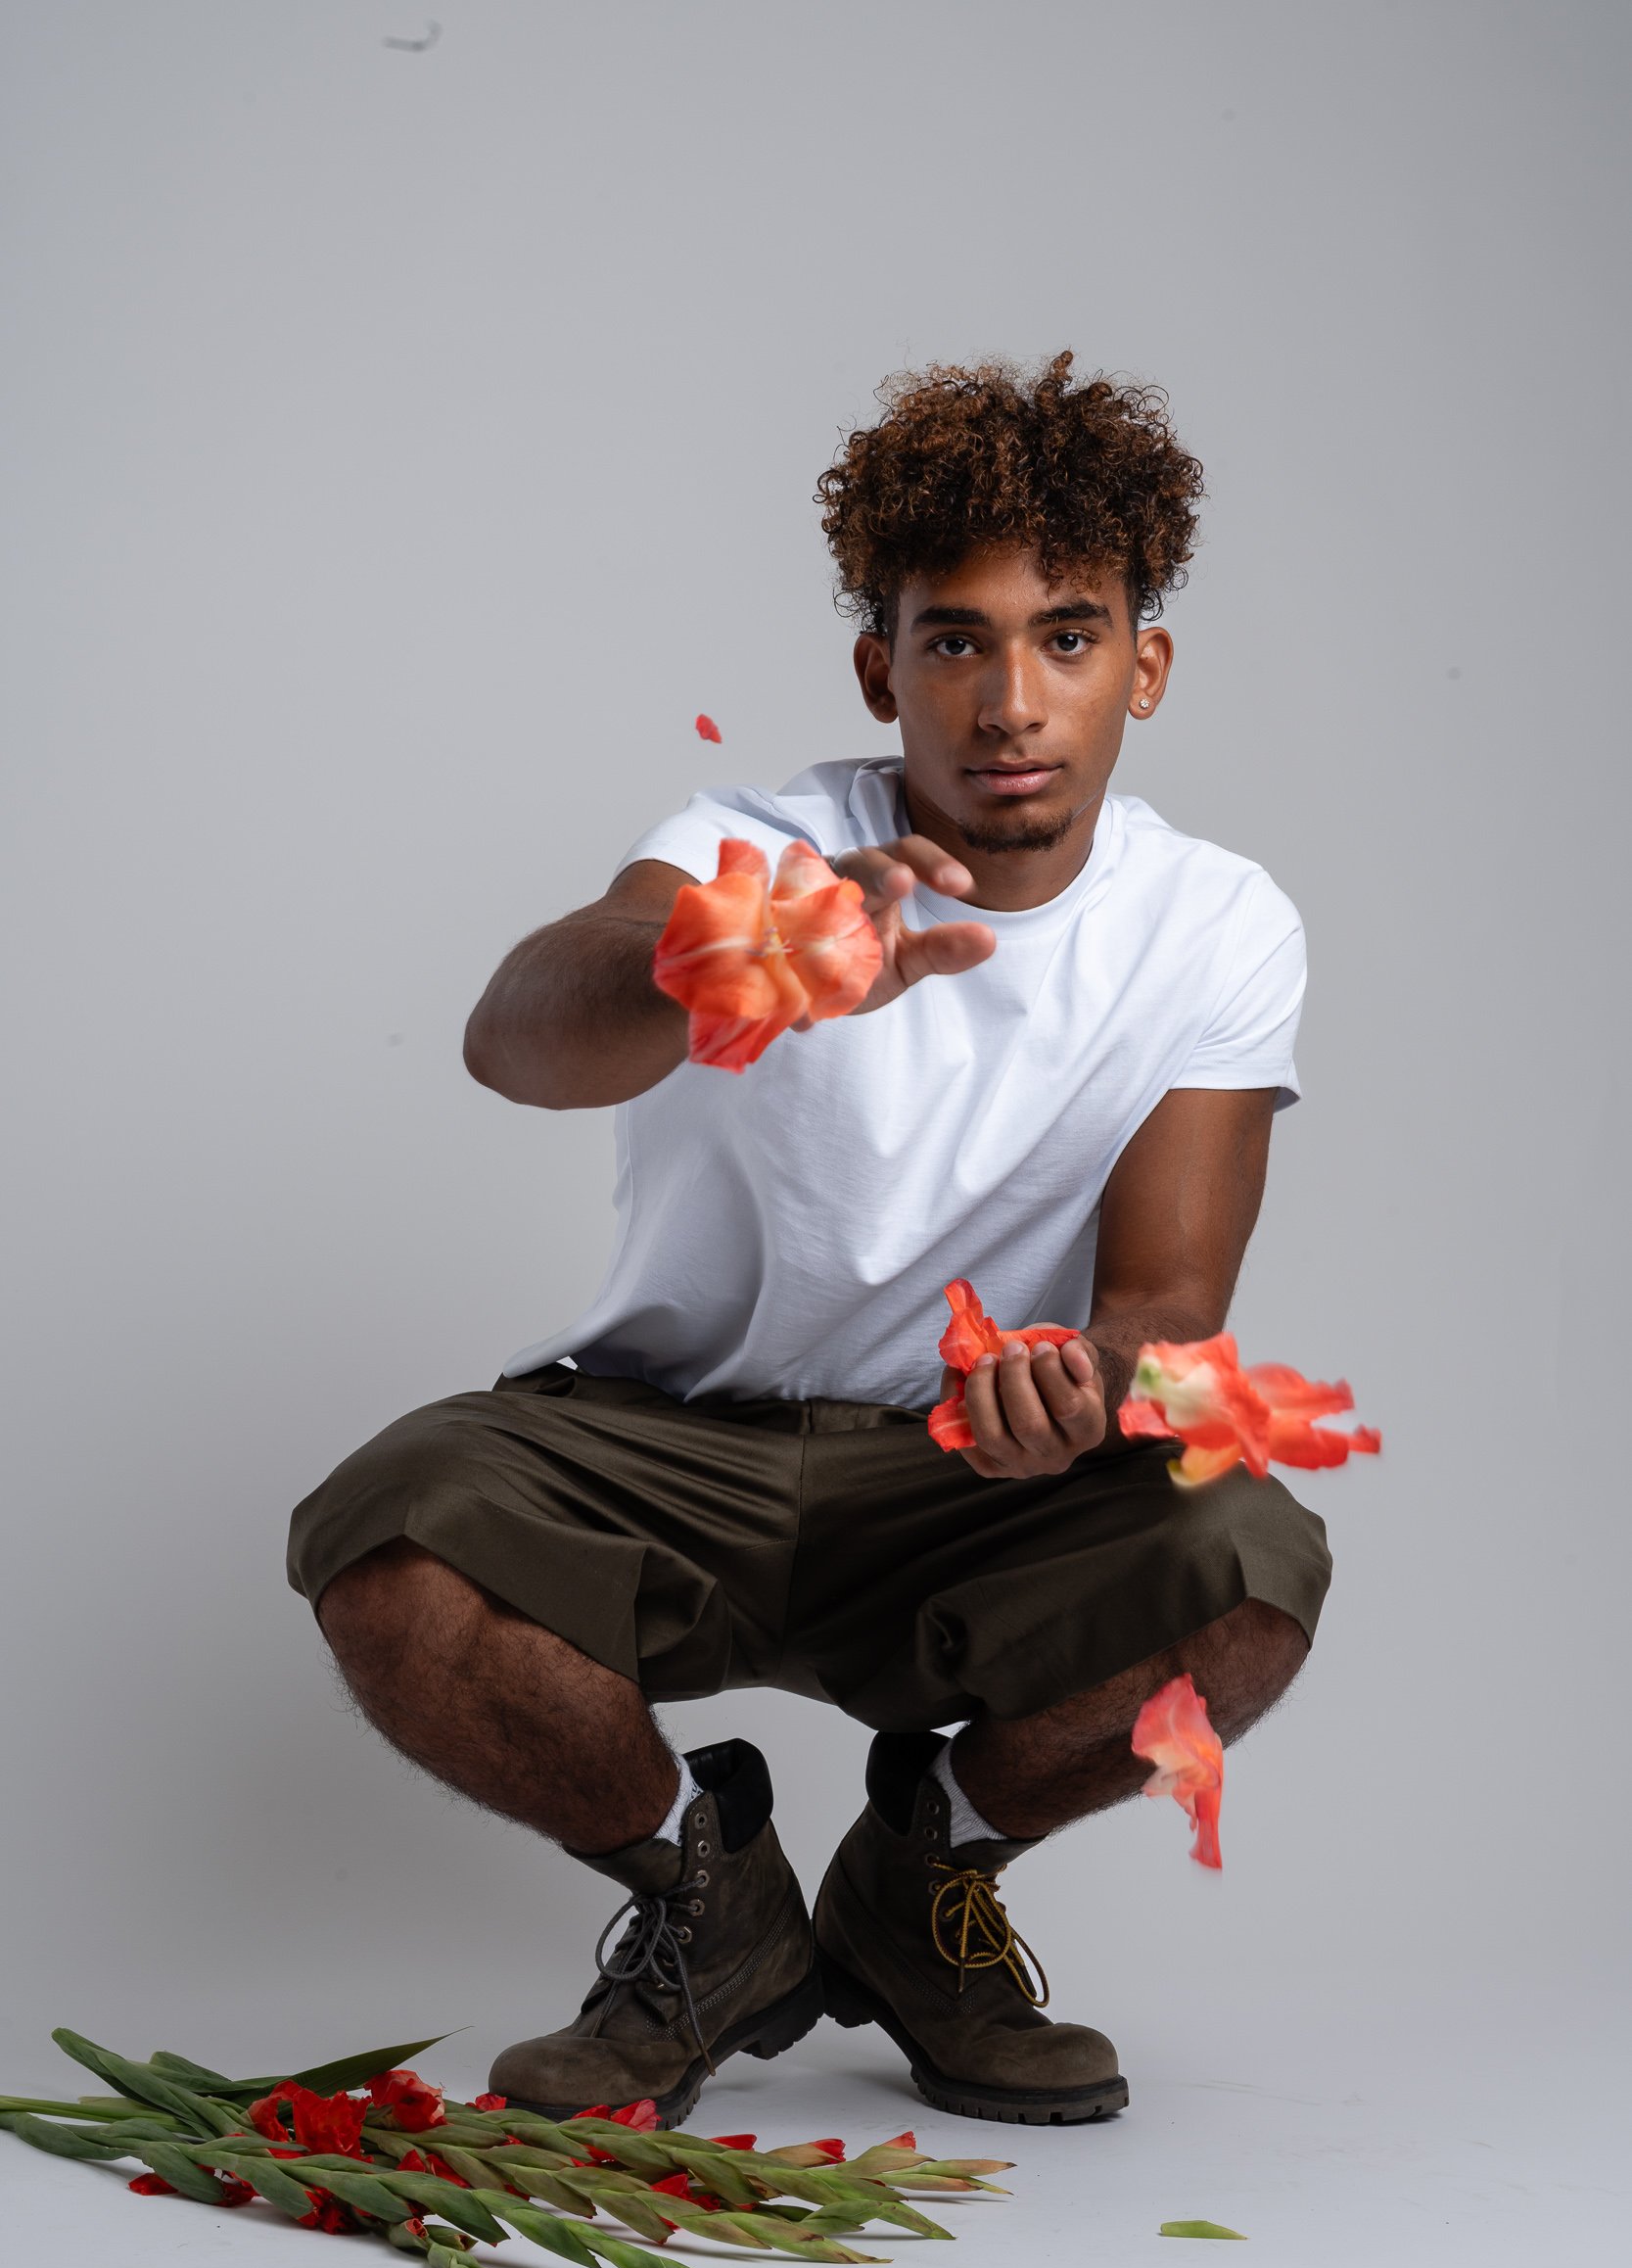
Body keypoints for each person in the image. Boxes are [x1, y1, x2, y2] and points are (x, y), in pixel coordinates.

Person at [288, 350, 1331, 2130]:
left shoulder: (1216, 923)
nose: (1011, 698)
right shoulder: (748, 848)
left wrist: (1077, 1389)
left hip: (958, 1468)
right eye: (956, 640)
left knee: (1245, 1563)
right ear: (882, 665)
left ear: (1142, 668)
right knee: (390, 1547)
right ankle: (713, 1897)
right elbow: (516, 1034)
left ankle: (917, 1885)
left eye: (1067, 637)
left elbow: (1166, 1303)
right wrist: (733, 960)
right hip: (666, 1442)